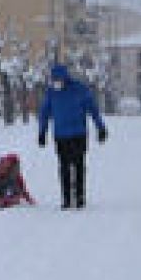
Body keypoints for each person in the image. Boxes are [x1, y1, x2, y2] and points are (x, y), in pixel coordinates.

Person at [37, 63, 108, 209]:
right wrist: (42, 132)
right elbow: (45, 112)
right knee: (63, 166)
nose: (56, 83)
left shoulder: (79, 89)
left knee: (78, 164)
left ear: (65, 78)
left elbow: (93, 109)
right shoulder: (51, 92)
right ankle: (67, 198)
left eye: (58, 80)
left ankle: (80, 196)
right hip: (61, 135)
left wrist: (100, 127)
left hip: (78, 134)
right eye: (54, 80)